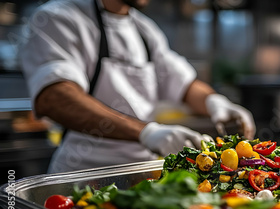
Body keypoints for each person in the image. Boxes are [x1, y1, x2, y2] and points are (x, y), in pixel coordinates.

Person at [20, 0, 255, 173]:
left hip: (143, 172)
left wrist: (215, 102)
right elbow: (55, 97)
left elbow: (183, 83)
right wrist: (147, 132)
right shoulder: (58, 18)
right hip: (83, 173)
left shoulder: (145, 30)